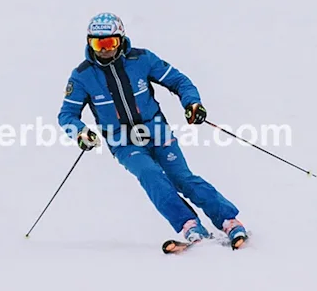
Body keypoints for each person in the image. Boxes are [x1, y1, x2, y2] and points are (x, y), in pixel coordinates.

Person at [58, 13, 248, 249]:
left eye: (110, 43)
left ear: (121, 40)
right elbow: (66, 115)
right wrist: (80, 132)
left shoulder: (142, 59)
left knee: (182, 177)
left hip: (156, 130)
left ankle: (229, 221)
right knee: (150, 175)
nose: (104, 50)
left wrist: (192, 104)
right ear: (89, 43)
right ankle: (190, 225)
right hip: (123, 141)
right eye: (98, 44)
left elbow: (179, 81)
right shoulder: (83, 76)